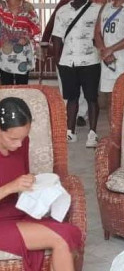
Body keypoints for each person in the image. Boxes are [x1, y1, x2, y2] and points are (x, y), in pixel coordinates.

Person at [0, 97, 82, 271]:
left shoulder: (22, 143)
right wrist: (11, 187)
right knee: (62, 239)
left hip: (19, 211)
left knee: (71, 233)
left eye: (24, 137)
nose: (19, 144)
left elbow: (18, 174)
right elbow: (11, 184)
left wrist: (33, 181)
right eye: (13, 139)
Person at [51, 0, 102, 147]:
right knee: (71, 98)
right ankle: (70, 132)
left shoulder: (97, 10)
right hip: (68, 62)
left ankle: (92, 134)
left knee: (91, 98)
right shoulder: (63, 11)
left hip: (90, 61)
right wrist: (58, 61)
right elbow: (56, 38)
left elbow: (101, 35)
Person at [0, 0, 40, 85]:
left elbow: (35, 26)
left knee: (22, 87)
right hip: (5, 52)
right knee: (6, 87)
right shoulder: (2, 7)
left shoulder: (27, 7)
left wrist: (26, 38)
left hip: (22, 52)